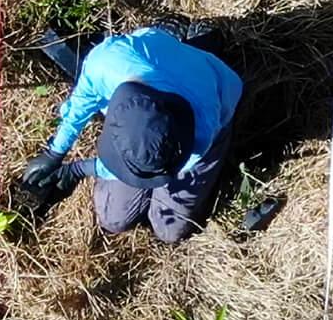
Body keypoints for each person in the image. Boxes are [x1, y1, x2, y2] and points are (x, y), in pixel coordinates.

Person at [20, 25, 242, 244]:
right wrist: (55, 151)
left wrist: (80, 168)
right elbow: (83, 100)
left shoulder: (202, 129)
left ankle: (200, 47)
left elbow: (179, 167)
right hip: (157, 55)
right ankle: (172, 36)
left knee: (169, 230)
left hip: (210, 86)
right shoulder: (106, 64)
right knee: (113, 218)